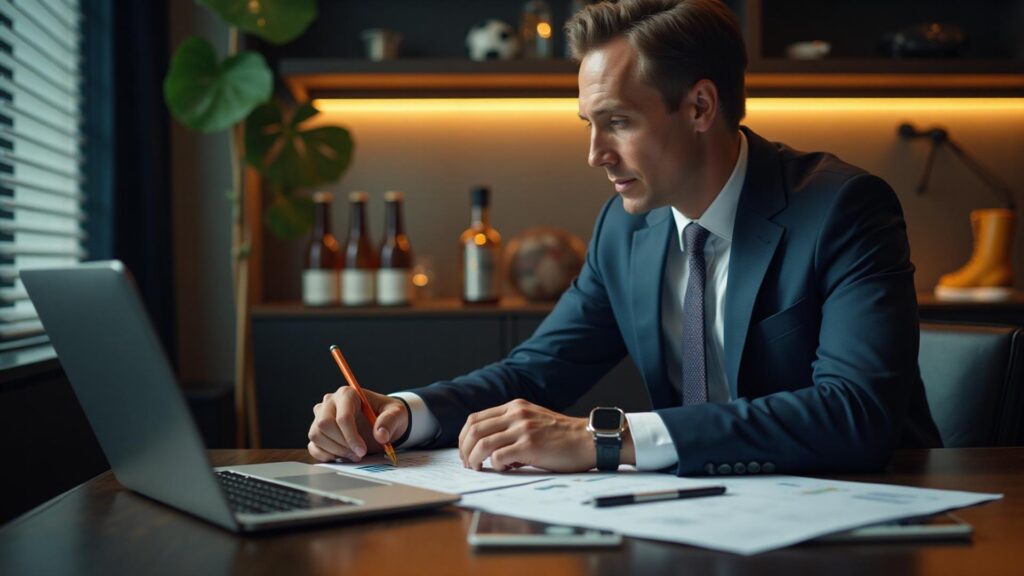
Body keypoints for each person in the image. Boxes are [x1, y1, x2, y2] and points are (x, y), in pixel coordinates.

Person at [307, 0, 941, 476]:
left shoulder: (842, 209)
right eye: (589, 123)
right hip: (702, 519)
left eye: (618, 122)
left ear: (700, 107)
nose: (595, 154)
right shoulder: (625, 227)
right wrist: (404, 412)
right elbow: (537, 370)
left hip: (872, 514)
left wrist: (604, 437)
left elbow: (855, 413)